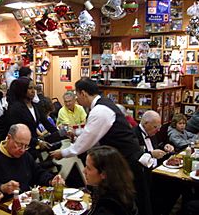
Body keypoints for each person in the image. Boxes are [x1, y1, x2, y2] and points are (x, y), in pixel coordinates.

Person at [51, 77, 153, 215]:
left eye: (77, 95)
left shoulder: (100, 110)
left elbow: (86, 141)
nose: (77, 99)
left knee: (131, 202)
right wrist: (75, 132)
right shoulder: (103, 105)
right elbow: (91, 130)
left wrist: (62, 153)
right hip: (124, 157)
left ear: (83, 93)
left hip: (128, 159)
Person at [0, 124, 64, 197]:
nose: (22, 150)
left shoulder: (25, 155)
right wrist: (1, 187)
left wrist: (51, 180)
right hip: (1, 206)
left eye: (26, 146)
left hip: (24, 202)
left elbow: (38, 174)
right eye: (19, 145)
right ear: (9, 138)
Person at [133, 110, 177, 215]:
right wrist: (151, 153)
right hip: (144, 174)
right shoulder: (133, 135)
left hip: (156, 170)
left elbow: (155, 147)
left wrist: (165, 146)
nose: (157, 130)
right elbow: (135, 156)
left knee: (176, 186)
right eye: (155, 127)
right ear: (146, 123)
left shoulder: (151, 132)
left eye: (159, 127)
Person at [7, 77, 64, 159]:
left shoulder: (35, 106)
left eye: (34, 88)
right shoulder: (15, 108)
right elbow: (17, 133)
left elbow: (47, 124)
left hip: (33, 144)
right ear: (22, 90)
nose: (33, 91)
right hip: (21, 146)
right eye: (30, 88)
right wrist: (38, 141)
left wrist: (61, 134)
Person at [84, 146, 138, 215]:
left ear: (103, 174)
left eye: (88, 168)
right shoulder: (121, 188)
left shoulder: (108, 206)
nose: (84, 171)